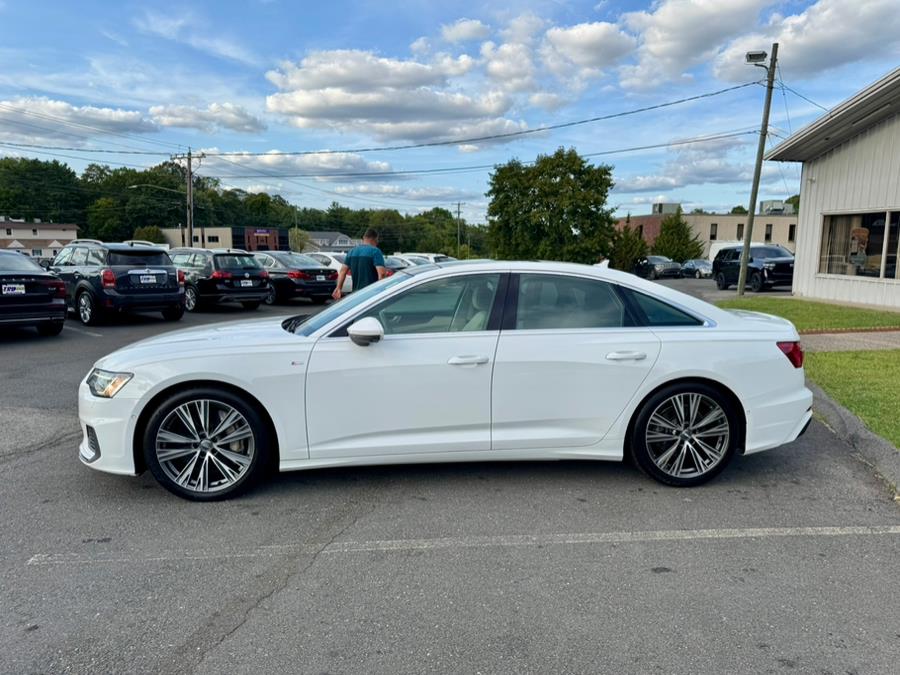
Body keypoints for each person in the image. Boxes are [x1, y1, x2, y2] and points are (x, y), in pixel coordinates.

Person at [333, 228, 386, 300]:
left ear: (364, 238)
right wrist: (382, 291)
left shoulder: (351, 251)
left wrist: (339, 288)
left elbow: (342, 271)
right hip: (371, 294)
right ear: (375, 239)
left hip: (356, 294)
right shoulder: (375, 251)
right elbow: (382, 274)